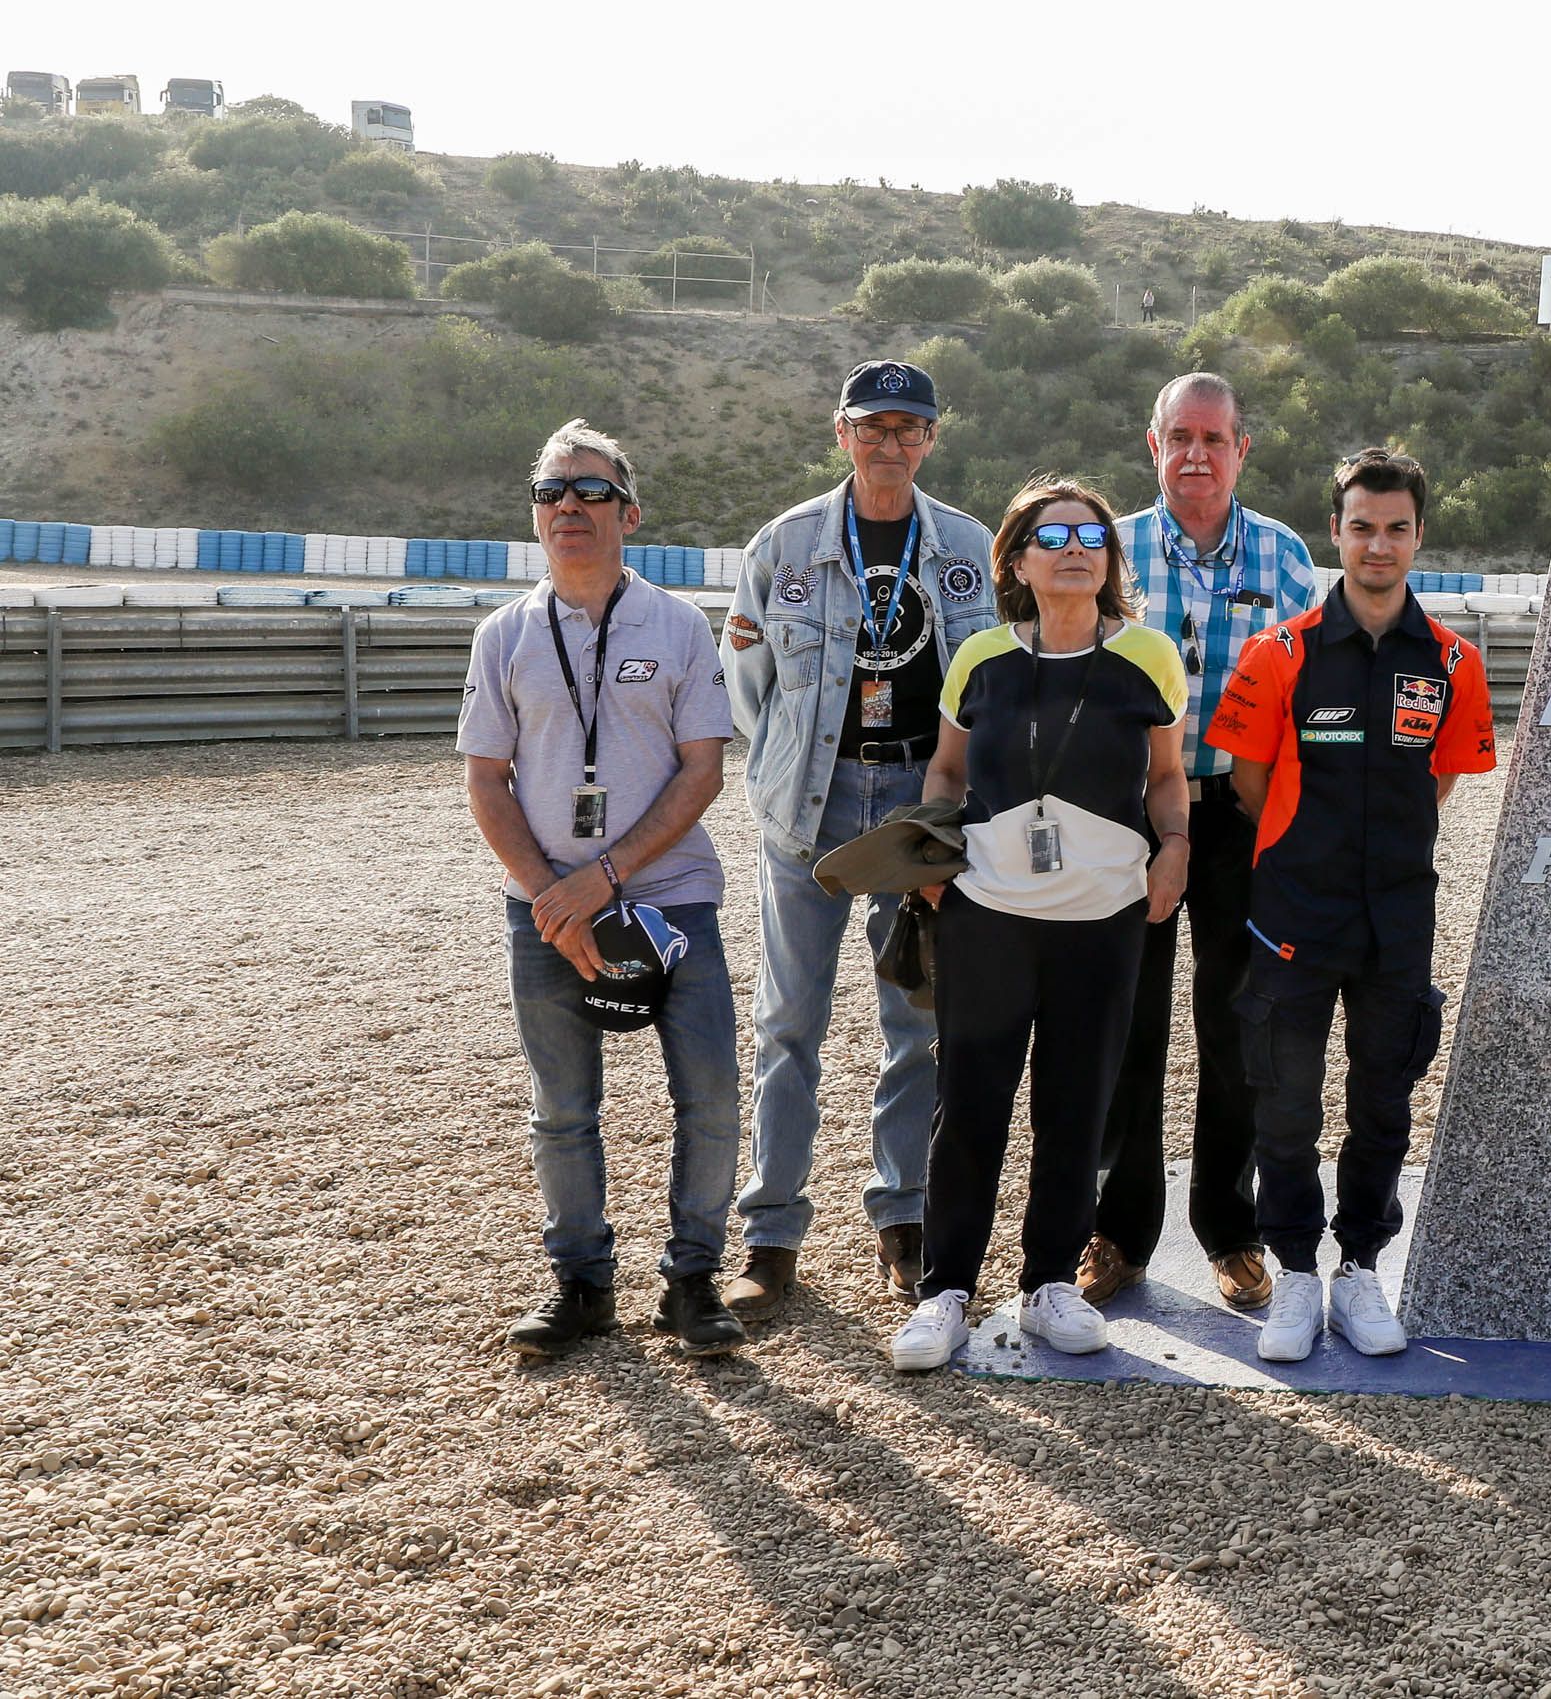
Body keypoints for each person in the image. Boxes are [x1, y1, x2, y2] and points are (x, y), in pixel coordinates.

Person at [886, 481, 1191, 1372]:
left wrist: (1173, 845)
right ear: (1017, 559)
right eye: (1051, 535)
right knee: (970, 1103)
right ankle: (945, 1290)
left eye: (1091, 536)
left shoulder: (1150, 657)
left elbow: (1167, 777)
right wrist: (932, 866)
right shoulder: (979, 656)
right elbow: (945, 773)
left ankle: (1050, 1280)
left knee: (1075, 1104)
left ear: (1109, 560)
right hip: (988, 917)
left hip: (1103, 919)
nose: (1074, 548)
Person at [721, 360, 1003, 1319]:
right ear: (841, 432)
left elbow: (989, 682)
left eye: (909, 428)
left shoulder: (966, 544)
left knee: (917, 1021)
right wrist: (787, 777)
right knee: (787, 1020)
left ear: (932, 437)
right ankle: (770, 1236)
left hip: (921, 805)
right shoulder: (786, 543)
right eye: (872, 427)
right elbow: (748, 686)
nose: (890, 443)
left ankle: (904, 1221)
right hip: (812, 799)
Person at [1204, 447, 1497, 1364]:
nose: (1379, 544)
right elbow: (1248, 785)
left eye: (1396, 528)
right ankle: (1296, 1270)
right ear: (1335, 531)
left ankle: (1360, 1264)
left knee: (1384, 1101)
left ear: (1419, 536)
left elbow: (1441, 780)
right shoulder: (1278, 652)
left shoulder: (1454, 660)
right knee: (1284, 1102)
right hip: (1293, 913)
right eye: (1362, 526)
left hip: (1399, 920)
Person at [460, 421, 744, 1361]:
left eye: (588, 490)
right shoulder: (504, 632)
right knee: (561, 1108)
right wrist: (552, 893)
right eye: (550, 492)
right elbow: (485, 780)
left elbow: (703, 768)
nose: (568, 507)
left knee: (707, 1093)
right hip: (543, 905)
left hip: (670, 895)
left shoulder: (678, 625)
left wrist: (604, 878)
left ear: (630, 510)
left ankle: (692, 1281)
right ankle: (580, 1286)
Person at [1094, 375, 1320, 1316]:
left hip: (1241, 808)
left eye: (1213, 438)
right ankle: (1117, 1228)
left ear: (1243, 448)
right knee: (1124, 1023)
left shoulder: (1287, 554)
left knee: (1237, 1024)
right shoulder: (1108, 547)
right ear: (1153, 445)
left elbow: (1313, 695)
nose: (1195, 453)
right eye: (1178, 436)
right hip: (1128, 810)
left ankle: (1232, 1229)